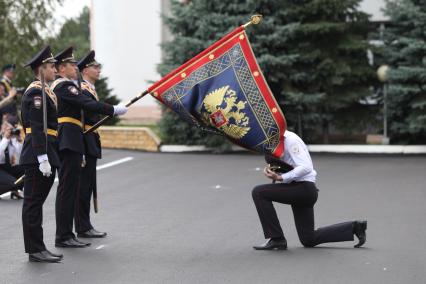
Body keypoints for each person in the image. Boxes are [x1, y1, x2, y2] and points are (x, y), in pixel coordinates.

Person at [51, 46, 128, 248]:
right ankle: (64, 235)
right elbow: (87, 105)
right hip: (70, 138)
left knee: (72, 188)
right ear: (61, 68)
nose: (75, 67)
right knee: (69, 189)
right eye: (72, 65)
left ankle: (68, 233)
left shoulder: (67, 86)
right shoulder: (64, 86)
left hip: (74, 137)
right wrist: (113, 109)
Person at [252, 130, 367, 250]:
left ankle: (277, 239)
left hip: (303, 189)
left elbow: (306, 166)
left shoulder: (290, 140)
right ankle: (355, 227)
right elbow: (287, 164)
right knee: (308, 239)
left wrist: (280, 177)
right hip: (299, 189)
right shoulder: (273, 140)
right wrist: (272, 170)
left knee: (259, 192)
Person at [20, 46, 63, 263]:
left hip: (46, 150)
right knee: (33, 203)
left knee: (36, 202)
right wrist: (42, 157)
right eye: (51, 67)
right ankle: (35, 249)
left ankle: (38, 247)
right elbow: (36, 127)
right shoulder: (36, 93)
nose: (55, 70)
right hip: (38, 154)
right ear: (41, 69)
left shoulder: (45, 91)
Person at [74, 50, 107, 238]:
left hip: (91, 140)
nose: (99, 70)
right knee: (83, 187)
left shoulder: (90, 89)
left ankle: (84, 224)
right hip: (84, 141)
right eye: (95, 67)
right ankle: (83, 227)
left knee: (87, 185)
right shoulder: (83, 90)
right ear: (85, 70)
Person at [0, 118, 24, 199]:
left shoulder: (12, 139)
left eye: (10, 128)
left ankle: (15, 190)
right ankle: (13, 186)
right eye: (6, 126)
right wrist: (5, 139)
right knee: (14, 182)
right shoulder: (4, 139)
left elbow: (20, 157)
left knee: (27, 170)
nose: (8, 129)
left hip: (7, 167)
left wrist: (19, 140)